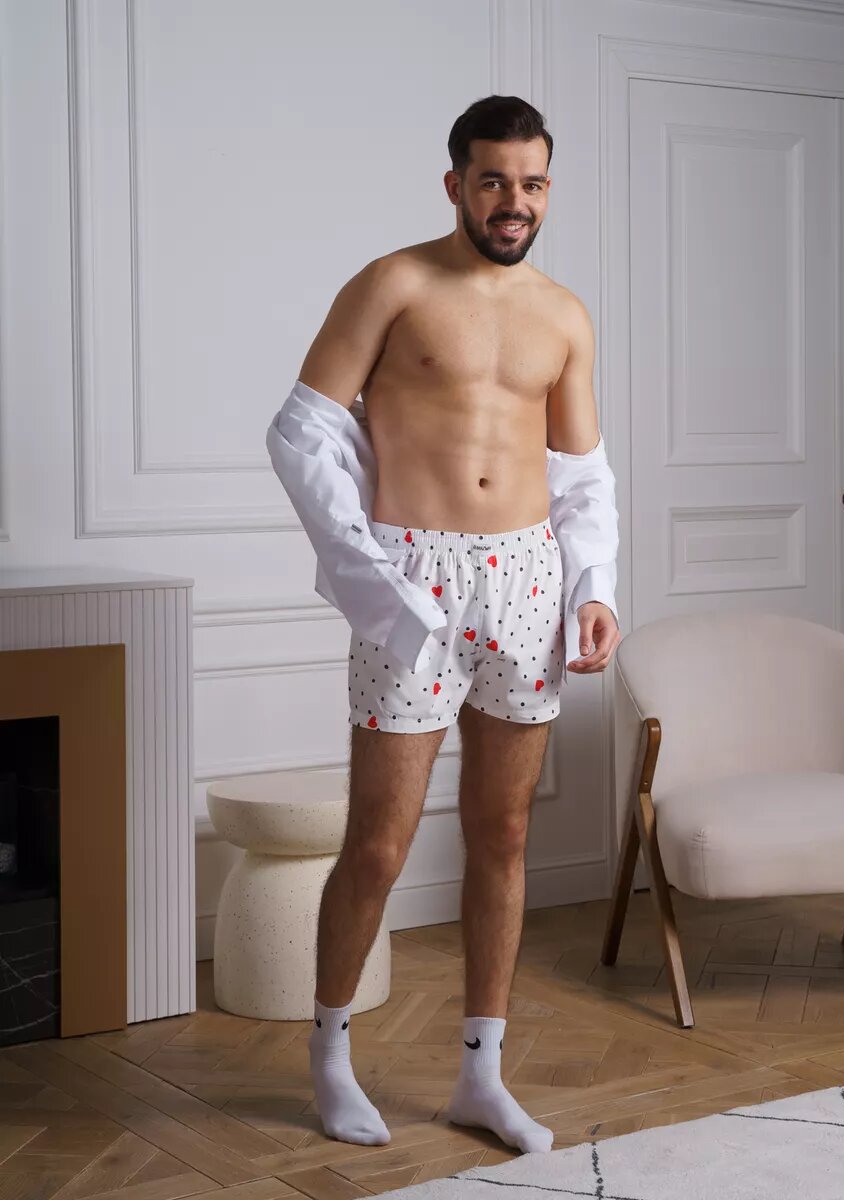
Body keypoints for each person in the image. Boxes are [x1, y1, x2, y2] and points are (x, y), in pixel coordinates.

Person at [266, 95, 620, 1156]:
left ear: (548, 187)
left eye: (533, 182)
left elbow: (582, 474)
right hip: (413, 576)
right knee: (379, 843)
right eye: (495, 180)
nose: (515, 201)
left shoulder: (564, 314)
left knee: (503, 834)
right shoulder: (394, 284)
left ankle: (480, 1076)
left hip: (526, 580)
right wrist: (373, 580)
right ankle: (331, 1057)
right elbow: (300, 434)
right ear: (455, 183)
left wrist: (594, 587)